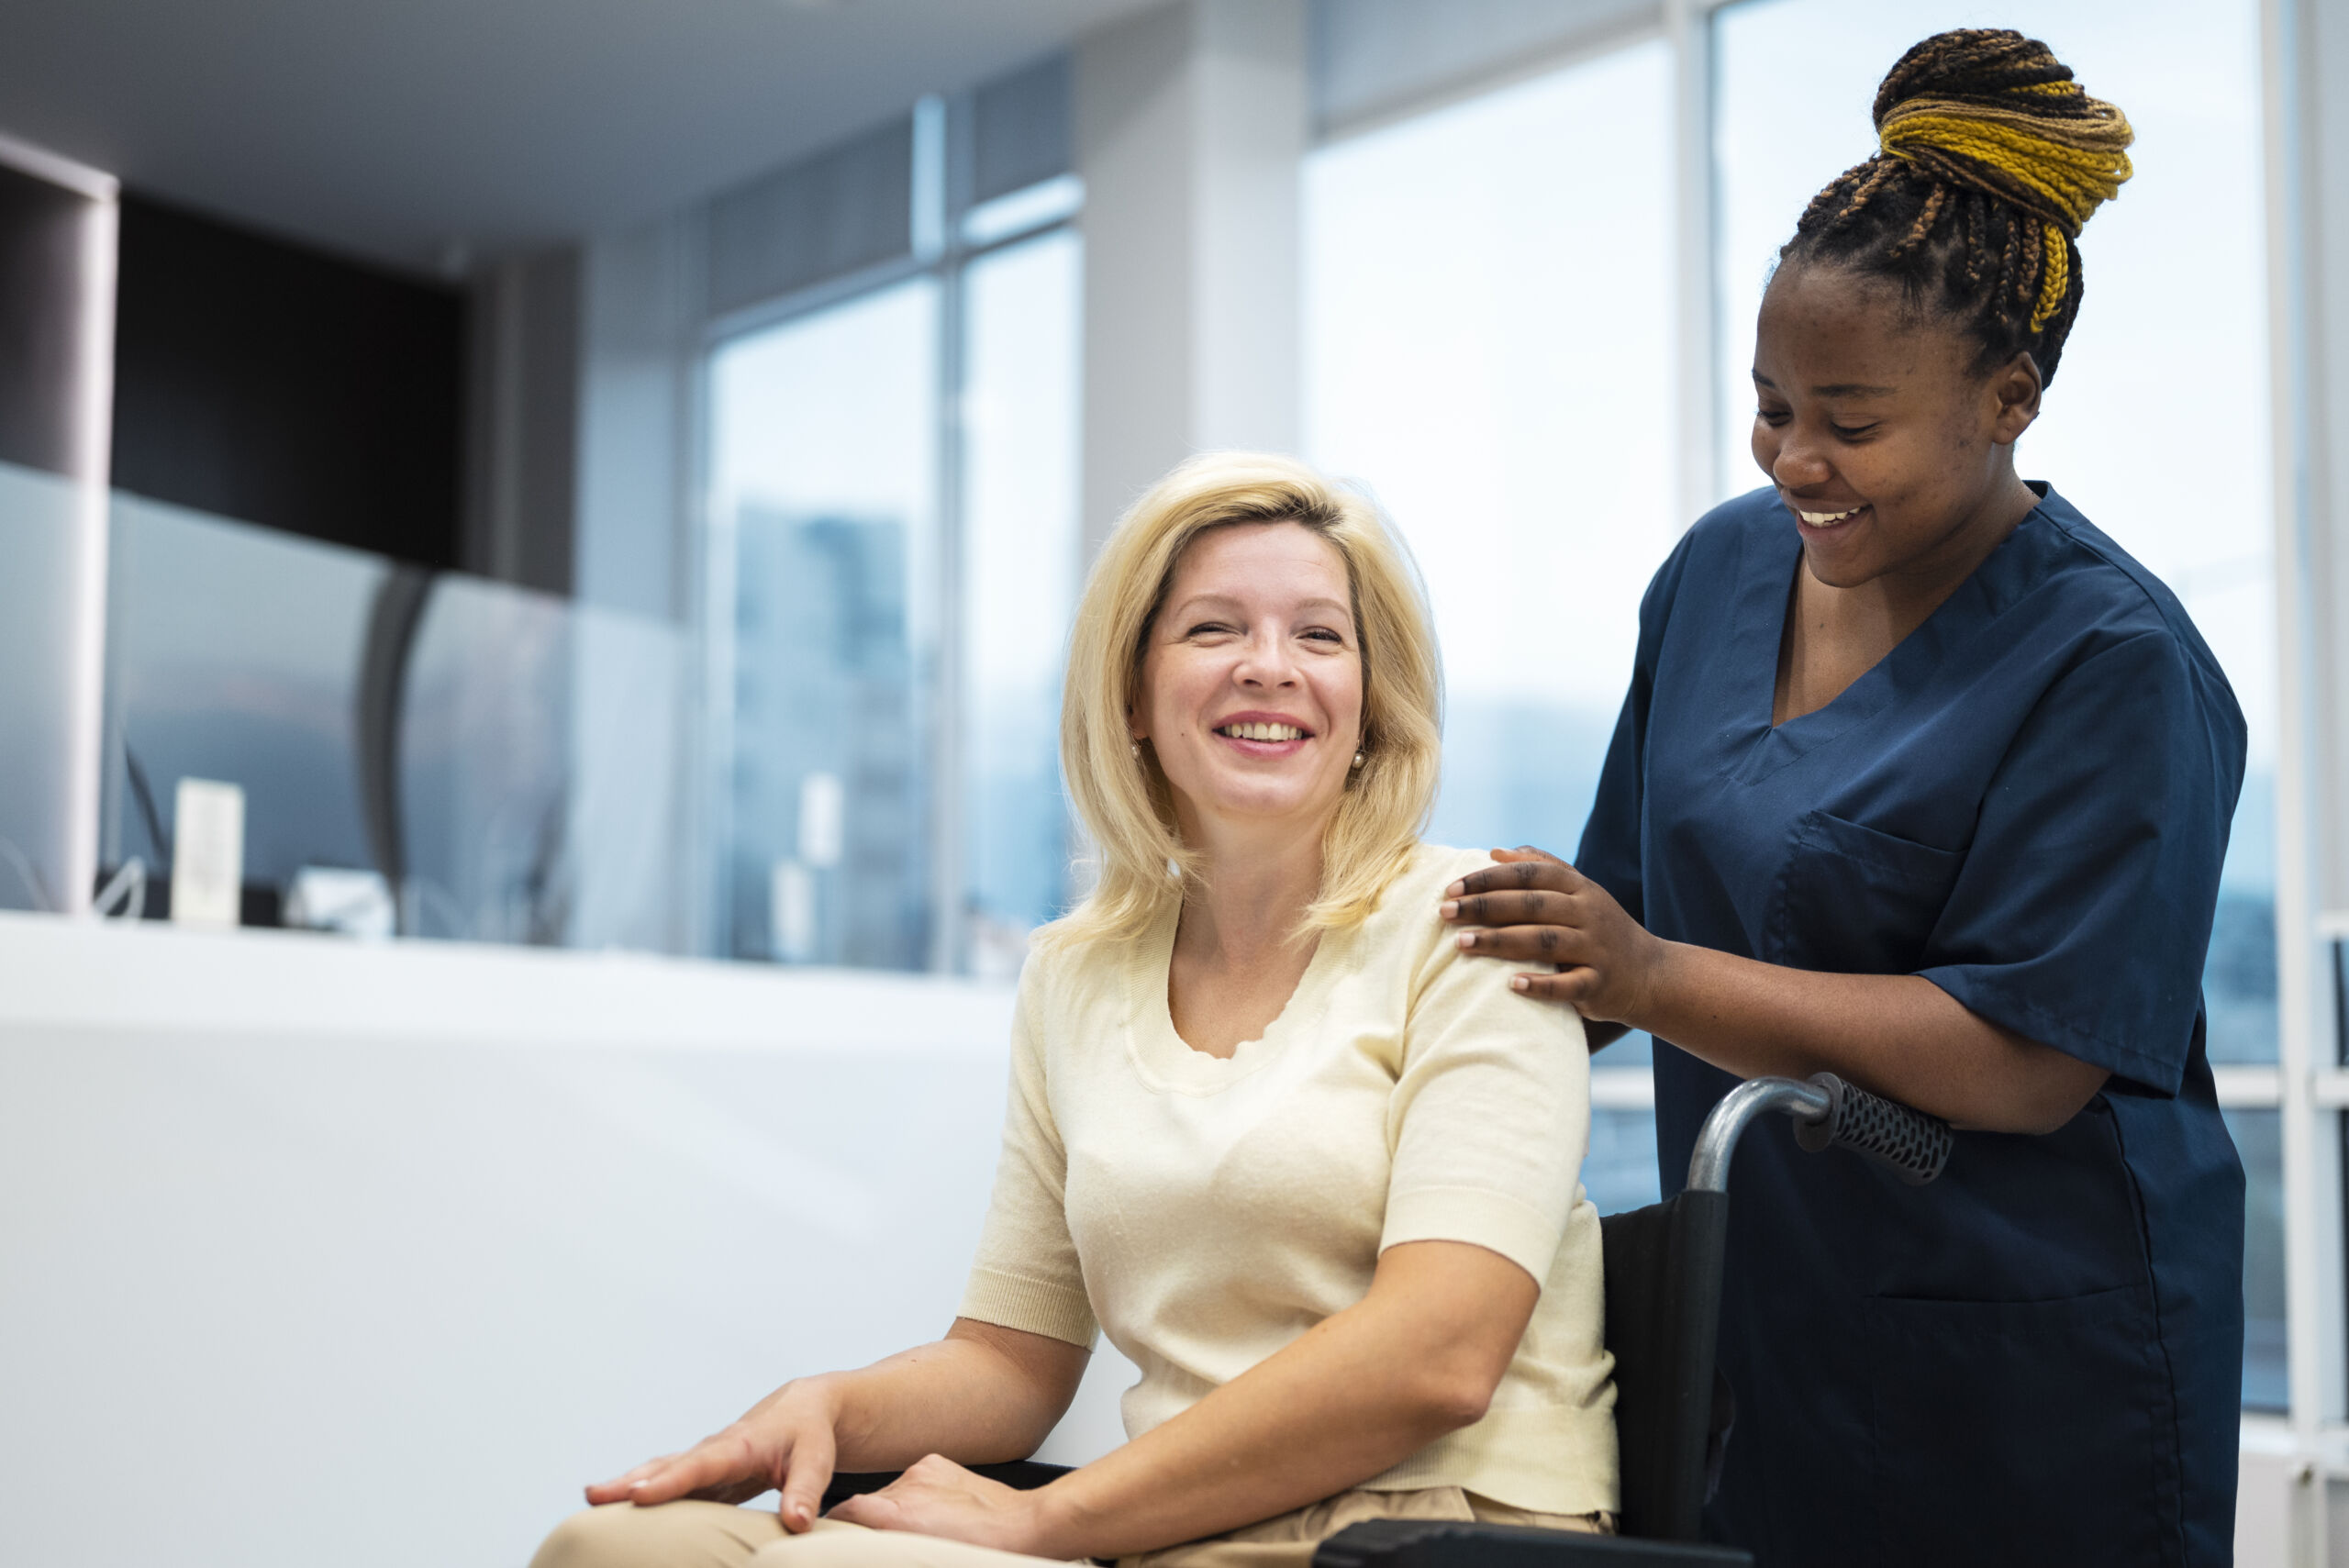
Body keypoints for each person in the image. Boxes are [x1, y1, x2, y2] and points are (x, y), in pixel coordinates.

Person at [1440, 29, 2243, 1567]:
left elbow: (2024, 1057)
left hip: (2023, 1362)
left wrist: (1657, 974)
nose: (1799, 459)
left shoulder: (2114, 661)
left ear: (2008, 397)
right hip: (1762, 1314)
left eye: (1853, 421)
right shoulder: (1721, 573)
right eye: (1772, 406)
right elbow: (1609, 924)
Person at [533, 453, 1618, 1568]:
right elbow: (1013, 1362)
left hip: (1430, 1531)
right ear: (1133, 694)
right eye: (1212, 629)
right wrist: (824, 1409)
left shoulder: (1477, 927)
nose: (1268, 666)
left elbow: (1434, 1355)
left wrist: (1050, 1518)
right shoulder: (1075, 973)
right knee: (609, 1546)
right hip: (1173, 1529)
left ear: (1370, 704)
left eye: (1319, 635)